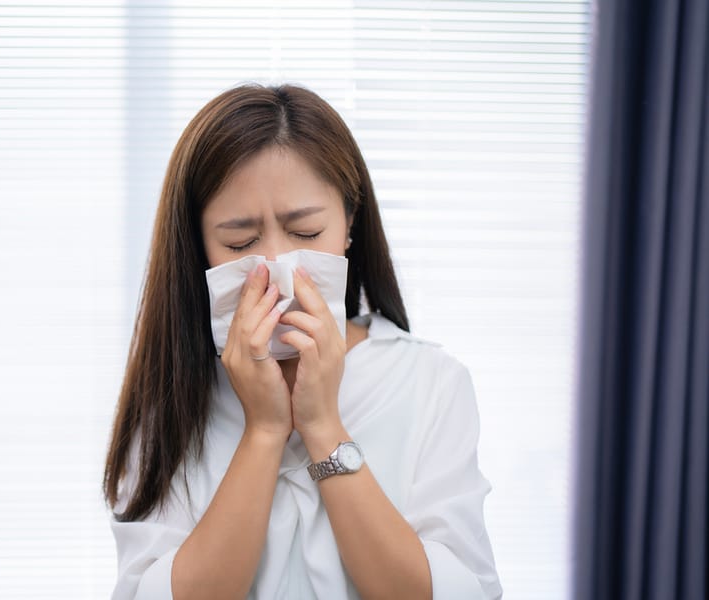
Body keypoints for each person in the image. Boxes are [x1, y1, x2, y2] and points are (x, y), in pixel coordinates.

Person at [103, 83, 502, 599]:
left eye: (307, 233)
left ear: (350, 223)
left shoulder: (430, 382)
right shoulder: (170, 395)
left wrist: (322, 426)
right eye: (240, 243)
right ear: (198, 246)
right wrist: (265, 431)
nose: (276, 268)